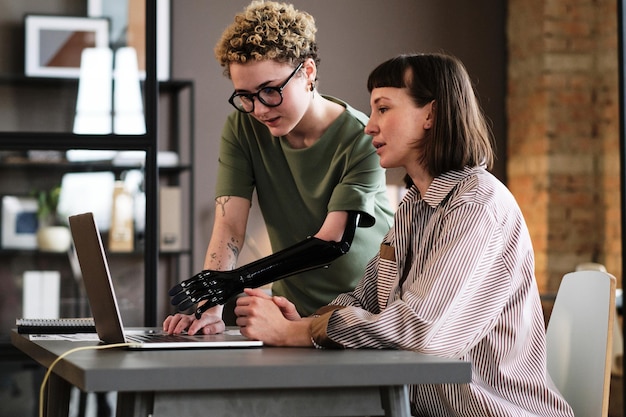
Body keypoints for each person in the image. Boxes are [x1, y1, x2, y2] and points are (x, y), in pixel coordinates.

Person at [233, 53, 574, 416]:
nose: (369, 126)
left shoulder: (476, 206)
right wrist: (304, 322)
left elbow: (420, 330)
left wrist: (297, 335)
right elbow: (364, 301)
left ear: (431, 114)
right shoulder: (414, 206)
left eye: (383, 108)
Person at [163, 1, 394, 335]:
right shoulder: (242, 129)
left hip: (361, 315)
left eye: (270, 91)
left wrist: (235, 281)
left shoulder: (363, 136)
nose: (258, 109)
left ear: (308, 73)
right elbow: (229, 224)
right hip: (289, 313)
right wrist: (209, 307)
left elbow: (332, 242)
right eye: (245, 96)